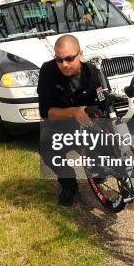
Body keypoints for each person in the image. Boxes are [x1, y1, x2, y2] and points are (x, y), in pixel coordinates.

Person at [37, 34, 103, 207]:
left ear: (80, 54)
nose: (64, 64)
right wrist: (74, 112)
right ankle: (68, 182)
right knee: (46, 147)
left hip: (88, 127)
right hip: (60, 125)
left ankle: (99, 168)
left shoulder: (94, 73)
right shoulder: (47, 71)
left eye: (69, 58)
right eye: (59, 59)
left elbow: (104, 104)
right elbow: (45, 111)